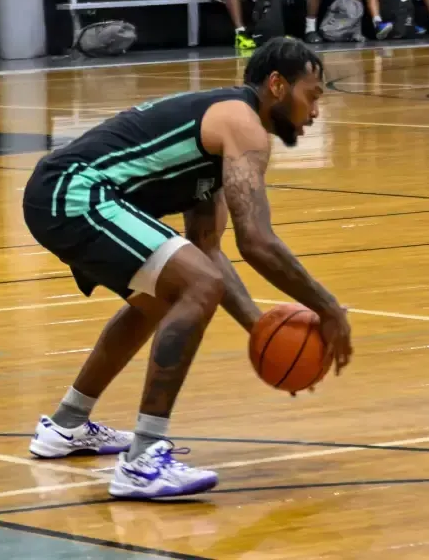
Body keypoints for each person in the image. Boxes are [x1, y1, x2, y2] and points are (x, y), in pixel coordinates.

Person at [23, 38, 354, 500]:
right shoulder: (242, 123)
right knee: (195, 285)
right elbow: (257, 242)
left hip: (62, 193)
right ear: (277, 85)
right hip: (74, 191)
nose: (315, 112)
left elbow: (208, 249)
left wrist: (260, 329)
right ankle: (143, 459)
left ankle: (67, 424)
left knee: (166, 296)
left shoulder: (216, 141)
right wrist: (329, 308)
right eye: (313, 95)